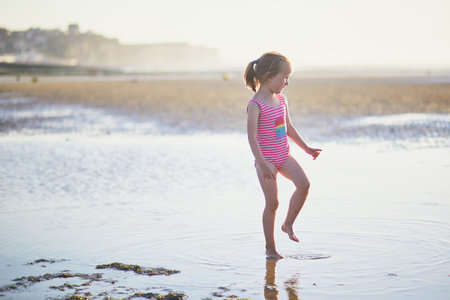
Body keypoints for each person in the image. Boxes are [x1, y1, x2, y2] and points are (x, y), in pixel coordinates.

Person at [245, 52, 322, 259]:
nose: (287, 83)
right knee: (272, 204)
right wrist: (262, 163)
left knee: (304, 184)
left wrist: (306, 148)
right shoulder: (255, 105)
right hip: (265, 161)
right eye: (284, 77)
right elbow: (252, 138)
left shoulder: (282, 99)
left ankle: (287, 224)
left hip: (283, 156)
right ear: (270, 76)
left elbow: (288, 128)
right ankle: (270, 249)